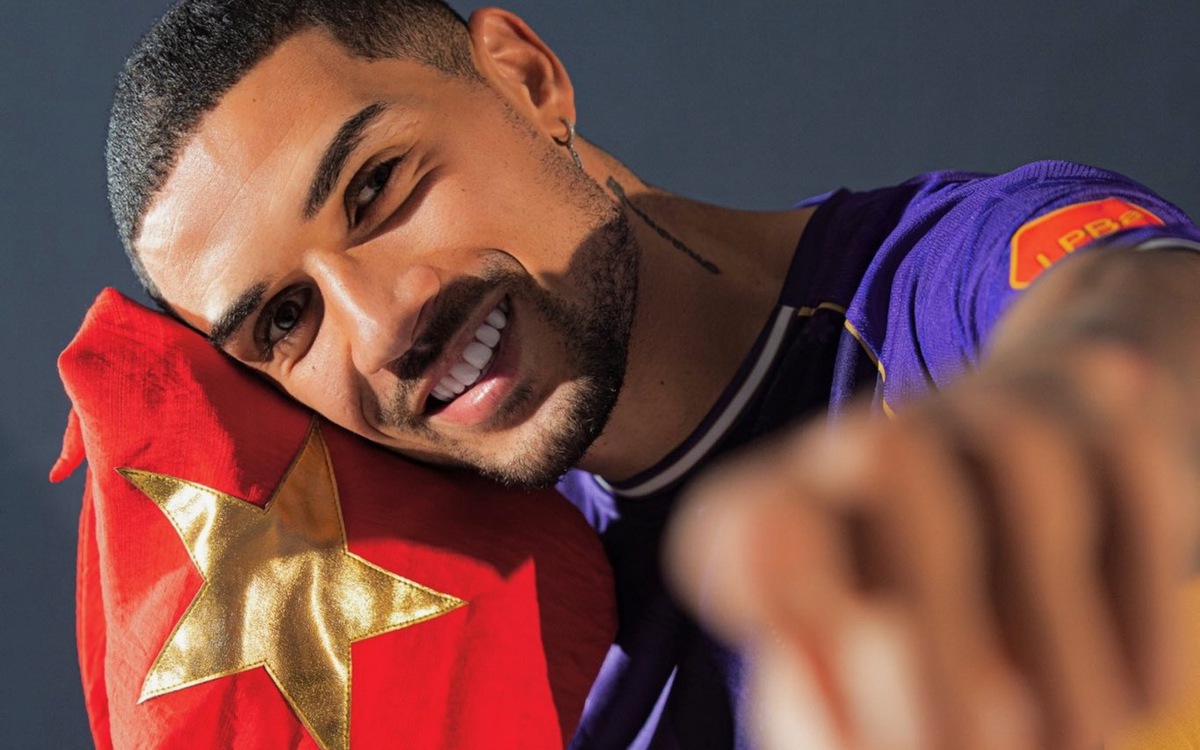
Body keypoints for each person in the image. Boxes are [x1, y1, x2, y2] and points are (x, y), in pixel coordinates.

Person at [105, 1, 1200, 748]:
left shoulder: (945, 281)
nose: (382, 322)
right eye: (285, 320)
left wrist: (1051, 426)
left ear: (526, 80)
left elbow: (1134, 313)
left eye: (377, 186)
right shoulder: (521, 657)